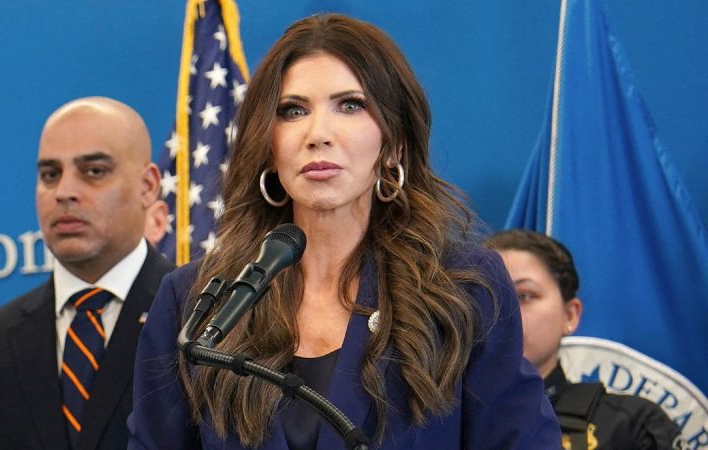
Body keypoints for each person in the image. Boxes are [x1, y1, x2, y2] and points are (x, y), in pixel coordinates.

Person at [128, 13, 561, 449]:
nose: (318, 134)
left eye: (350, 105)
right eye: (293, 111)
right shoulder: (193, 301)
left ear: (394, 142)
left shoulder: (464, 287)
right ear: (268, 144)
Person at [0, 97, 174, 450]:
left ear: (148, 186)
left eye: (94, 171)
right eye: (50, 175)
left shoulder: (207, 321)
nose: (64, 192)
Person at [485, 229, 688, 450]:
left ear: (569, 315)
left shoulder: (632, 426)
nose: (505, 313)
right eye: (488, 297)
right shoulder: (456, 420)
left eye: (523, 296)